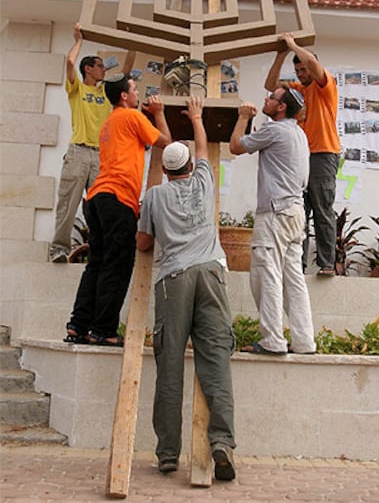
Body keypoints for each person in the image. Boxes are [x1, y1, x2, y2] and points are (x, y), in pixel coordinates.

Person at [137, 96, 236, 480]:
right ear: (191, 168)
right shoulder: (205, 181)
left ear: (164, 168)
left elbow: (144, 243)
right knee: (217, 363)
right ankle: (222, 443)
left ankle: (167, 454)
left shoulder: (155, 195)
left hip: (173, 280)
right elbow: (201, 146)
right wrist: (196, 116)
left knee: (170, 366)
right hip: (211, 274)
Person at [64, 75, 171, 346]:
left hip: (98, 197)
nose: (138, 94)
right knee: (118, 266)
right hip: (118, 199)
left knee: (96, 264)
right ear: (124, 96)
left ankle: (79, 324)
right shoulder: (132, 117)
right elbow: (165, 141)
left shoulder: (110, 122)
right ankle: (103, 329)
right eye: (134, 89)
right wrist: (158, 114)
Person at [229, 87, 316, 355]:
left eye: (272, 98)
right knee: (293, 279)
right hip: (294, 212)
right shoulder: (298, 133)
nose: (266, 99)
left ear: (281, 107)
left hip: (275, 213)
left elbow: (235, 146)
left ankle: (273, 340)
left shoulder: (274, 130)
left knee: (267, 274)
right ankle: (304, 341)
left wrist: (243, 117)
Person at [49, 23, 136, 263]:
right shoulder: (76, 89)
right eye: (99, 65)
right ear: (88, 69)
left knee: (102, 206)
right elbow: (69, 64)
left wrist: (131, 43)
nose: (104, 69)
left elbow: (126, 73)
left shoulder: (105, 92)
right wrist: (78, 40)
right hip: (78, 152)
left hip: (101, 156)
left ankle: (100, 249)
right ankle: (59, 248)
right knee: (68, 203)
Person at [265, 33, 341, 276]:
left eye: (304, 70)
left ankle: (327, 264)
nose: (300, 74)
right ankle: (299, 264)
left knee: (322, 208)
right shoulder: (296, 91)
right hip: (300, 156)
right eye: (297, 71)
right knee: (300, 210)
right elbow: (270, 85)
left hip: (323, 154)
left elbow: (315, 66)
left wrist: (293, 45)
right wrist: (281, 54)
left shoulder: (325, 86)